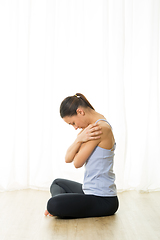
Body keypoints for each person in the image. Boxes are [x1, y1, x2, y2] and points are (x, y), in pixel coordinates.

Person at [44, 93, 119, 218]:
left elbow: (77, 163)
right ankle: (66, 205)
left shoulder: (99, 128)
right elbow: (67, 158)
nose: (75, 127)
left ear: (80, 112)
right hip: (88, 191)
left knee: (53, 204)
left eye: (73, 122)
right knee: (57, 183)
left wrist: (80, 138)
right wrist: (79, 139)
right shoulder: (91, 127)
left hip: (103, 199)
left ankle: (63, 206)